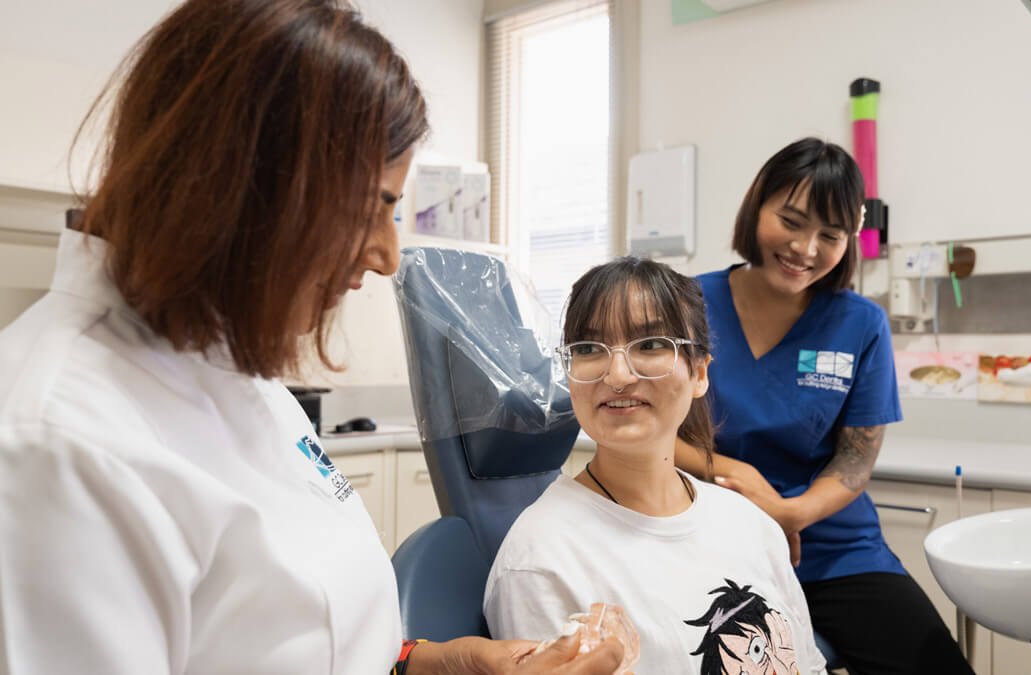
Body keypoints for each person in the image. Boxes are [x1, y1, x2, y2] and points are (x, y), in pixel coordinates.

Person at [0, 1, 621, 673]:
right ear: (245, 183)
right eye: (373, 208)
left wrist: (426, 664)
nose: (387, 255)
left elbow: (288, 638)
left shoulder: (235, 365)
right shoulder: (59, 442)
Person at [676, 138, 974, 673]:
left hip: (834, 551)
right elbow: (654, 430)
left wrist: (789, 514)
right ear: (756, 206)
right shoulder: (686, 304)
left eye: (829, 235)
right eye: (790, 221)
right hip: (709, 542)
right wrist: (737, 474)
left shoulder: (860, 324)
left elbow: (855, 461)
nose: (805, 248)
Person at [484, 258, 827, 674]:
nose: (618, 375)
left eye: (649, 345)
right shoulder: (542, 560)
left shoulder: (752, 527)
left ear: (699, 372)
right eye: (590, 349)